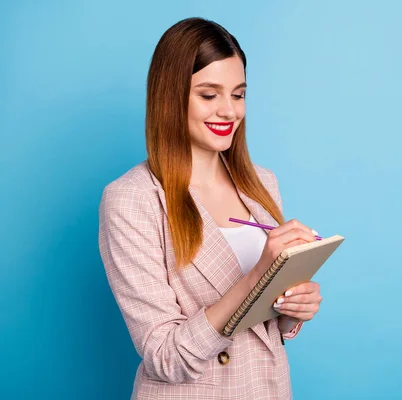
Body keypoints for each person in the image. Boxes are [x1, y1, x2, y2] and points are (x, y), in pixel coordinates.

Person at [98, 17, 323, 399]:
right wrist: (256, 279)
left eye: (238, 94)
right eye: (208, 94)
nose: (229, 111)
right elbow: (164, 356)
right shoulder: (132, 199)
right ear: (170, 96)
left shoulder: (262, 182)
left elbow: (265, 328)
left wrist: (290, 310)